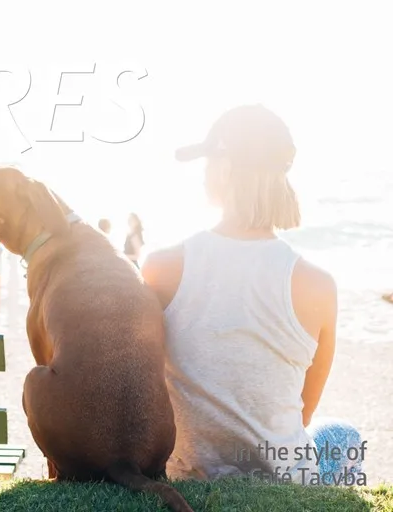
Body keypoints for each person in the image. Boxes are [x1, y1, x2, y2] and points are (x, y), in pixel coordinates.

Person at [142, 104, 363, 485]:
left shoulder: (161, 266)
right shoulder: (318, 285)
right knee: (344, 436)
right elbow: (302, 413)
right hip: (283, 477)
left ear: (225, 168)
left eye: (208, 161)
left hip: (189, 473)